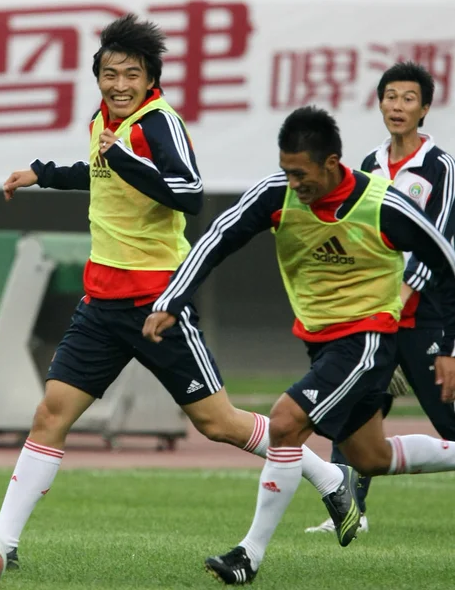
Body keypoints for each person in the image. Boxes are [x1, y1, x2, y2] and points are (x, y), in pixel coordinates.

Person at [0, 15, 355, 571]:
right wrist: (42, 174)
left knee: (218, 423)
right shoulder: (104, 122)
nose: (118, 85)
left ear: (150, 79)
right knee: (51, 415)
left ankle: (329, 475)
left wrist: (121, 158)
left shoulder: (158, 123)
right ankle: (3, 545)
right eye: (109, 74)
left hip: (156, 303)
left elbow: (187, 192)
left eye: (130, 75)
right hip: (101, 302)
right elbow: (101, 174)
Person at [142, 105, 455, 585]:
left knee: (286, 423)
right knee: (371, 456)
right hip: (322, 343)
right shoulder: (277, 195)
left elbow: (447, 265)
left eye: (301, 172)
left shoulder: (384, 205)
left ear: (332, 163)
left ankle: (249, 555)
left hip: (368, 342)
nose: (292, 182)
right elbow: (218, 238)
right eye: (286, 170)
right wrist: (172, 297)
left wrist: (448, 347)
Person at [305, 62, 455, 536]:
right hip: (375, 317)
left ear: (425, 108)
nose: (397, 106)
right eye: (391, 96)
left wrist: (410, 288)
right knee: (355, 409)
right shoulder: (368, 166)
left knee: (447, 416)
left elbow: (444, 240)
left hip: (425, 316)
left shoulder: (440, 167)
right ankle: (350, 514)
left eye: (408, 98)